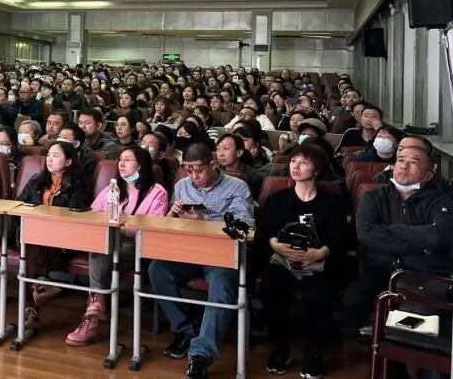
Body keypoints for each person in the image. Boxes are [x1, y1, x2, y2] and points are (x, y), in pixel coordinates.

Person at [149, 142, 254, 379]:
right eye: (188, 169)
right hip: (189, 251)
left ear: (213, 164)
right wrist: (172, 216)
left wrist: (204, 223)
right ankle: (185, 329)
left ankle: (201, 355)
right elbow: (172, 227)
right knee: (157, 269)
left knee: (222, 284)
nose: (193, 176)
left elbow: (244, 226)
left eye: (198, 169)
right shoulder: (182, 186)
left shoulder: (237, 187)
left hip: (222, 254)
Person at [256, 143, 346, 378]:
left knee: (319, 295)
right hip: (282, 262)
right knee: (271, 291)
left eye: (304, 162)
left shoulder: (332, 202)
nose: (296, 167)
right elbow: (265, 231)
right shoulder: (277, 199)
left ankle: (314, 352)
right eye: (293, 161)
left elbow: (340, 237)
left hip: (318, 263)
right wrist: (276, 245)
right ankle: (280, 348)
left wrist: (320, 253)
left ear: (317, 170)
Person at [343, 144, 453, 333]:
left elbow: (437, 236)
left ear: (428, 175)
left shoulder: (441, 202)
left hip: (422, 271)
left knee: (415, 319)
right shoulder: (374, 197)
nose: (404, 165)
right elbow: (366, 234)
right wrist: (419, 241)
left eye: (414, 162)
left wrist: (390, 231)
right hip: (380, 267)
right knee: (352, 303)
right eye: (401, 160)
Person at [68, 146, 169, 346]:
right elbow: (93, 215)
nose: (121, 164)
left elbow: (152, 228)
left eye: (128, 160)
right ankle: (94, 309)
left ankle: (93, 310)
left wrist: (121, 231)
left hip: (138, 246)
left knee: (104, 247)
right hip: (108, 243)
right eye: (120, 159)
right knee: (103, 246)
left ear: (141, 165)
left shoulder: (157, 192)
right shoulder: (112, 188)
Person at [16, 141, 90, 331]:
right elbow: (19, 204)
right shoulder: (36, 180)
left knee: (28, 254)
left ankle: (31, 305)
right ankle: (40, 284)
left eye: (55, 156)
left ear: (68, 162)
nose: (49, 159)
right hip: (30, 233)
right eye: (48, 155)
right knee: (28, 236)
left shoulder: (77, 184)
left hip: (58, 239)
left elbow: (75, 214)